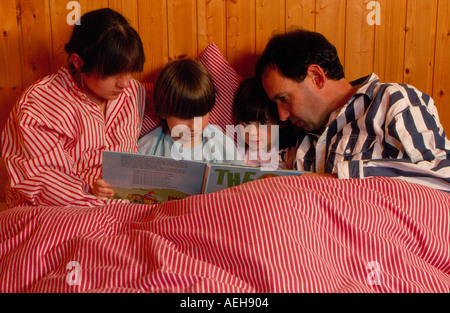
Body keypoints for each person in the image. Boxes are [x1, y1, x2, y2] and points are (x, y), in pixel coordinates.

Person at [255, 29, 450, 192]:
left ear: (316, 77)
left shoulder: (391, 99)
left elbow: (442, 175)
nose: (282, 115)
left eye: (283, 98)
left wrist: (338, 177)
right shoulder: (304, 145)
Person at [1, 8, 146, 208]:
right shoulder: (40, 105)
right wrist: (97, 199)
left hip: (126, 205)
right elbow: (44, 184)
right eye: (113, 73)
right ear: (78, 63)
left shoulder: (133, 92)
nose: (125, 83)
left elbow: (176, 105)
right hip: (59, 211)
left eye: (130, 71)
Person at [138, 58, 242, 165]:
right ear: (164, 111)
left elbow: (242, 176)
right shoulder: (148, 147)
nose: (194, 126)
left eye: (201, 115)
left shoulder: (222, 145)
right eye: (184, 117)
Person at [232, 77, 296, 169]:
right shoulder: (239, 155)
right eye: (246, 123)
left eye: (262, 123)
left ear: (280, 122)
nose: (252, 132)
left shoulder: (290, 156)